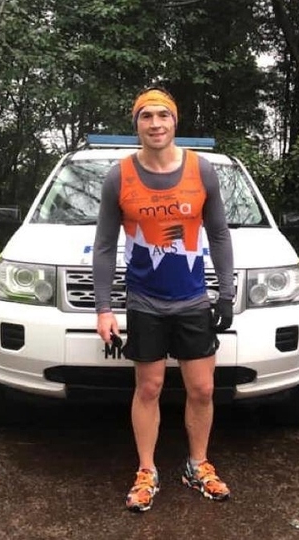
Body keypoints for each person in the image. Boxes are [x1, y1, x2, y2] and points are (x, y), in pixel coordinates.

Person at [92, 87, 235, 512]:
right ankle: (147, 471)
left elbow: (220, 233)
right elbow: (103, 245)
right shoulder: (120, 176)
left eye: (163, 116)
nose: (155, 124)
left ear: (175, 122)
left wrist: (224, 294)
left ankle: (197, 465)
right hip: (145, 301)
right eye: (146, 116)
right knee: (149, 387)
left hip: (192, 299)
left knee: (203, 389)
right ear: (136, 124)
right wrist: (104, 308)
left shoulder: (201, 169)